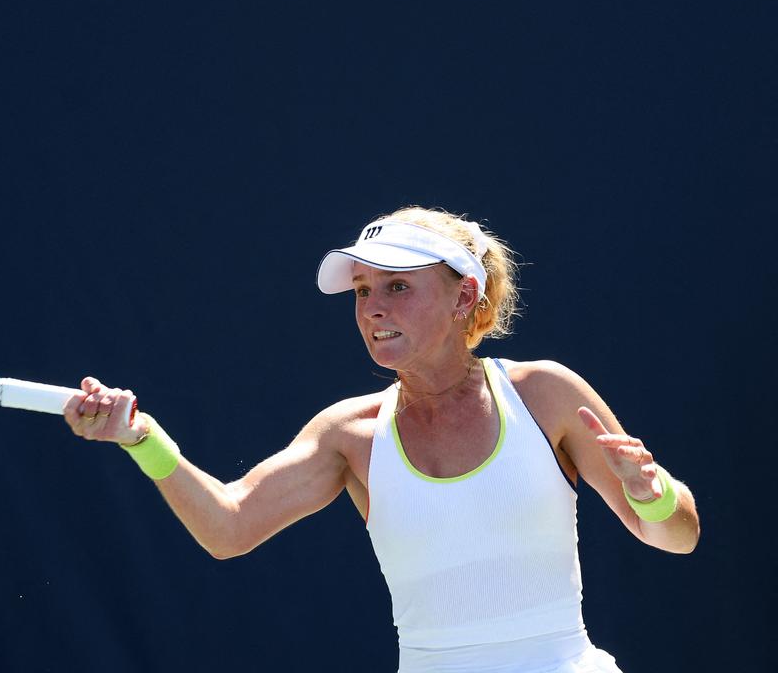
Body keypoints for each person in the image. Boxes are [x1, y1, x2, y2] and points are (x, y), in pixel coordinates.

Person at [62, 206, 700, 673]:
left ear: (463, 297)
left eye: (398, 287)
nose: (372, 308)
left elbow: (677, 534)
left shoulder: (547, 394)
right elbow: (229, 529)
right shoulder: (350, 433)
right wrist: (141, 438)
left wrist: (653, 495)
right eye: (363, 291)